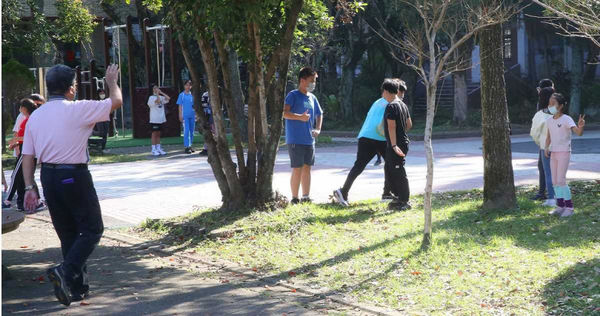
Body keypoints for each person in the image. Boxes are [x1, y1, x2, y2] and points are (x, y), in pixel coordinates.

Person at [22, 64, 123, 306]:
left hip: (48, 177)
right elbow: (116, 101)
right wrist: (111, 82)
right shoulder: (78, 109)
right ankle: (65, 272)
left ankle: (77, 289)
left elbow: (28, 156)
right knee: (92, 229)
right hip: (74, 175)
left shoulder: (36, 115)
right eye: (75, 85)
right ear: (70, 89)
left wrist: (29, 187)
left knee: (68, 233)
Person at [333, 79, 410, 206]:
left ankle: (386, 193)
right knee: (388, 164)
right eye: (401, 92)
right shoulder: (393, 104)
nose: (402, 95)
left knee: (382, 165)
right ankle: (344, 192)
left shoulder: (380, 101)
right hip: (375, 138)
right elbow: (399, 125)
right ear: (396, 91)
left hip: (369, 136)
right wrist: (396, 139)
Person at [283, 67, 323, 204]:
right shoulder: (293, 95)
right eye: (311, 81)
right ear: (302, 80)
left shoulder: (312, 97)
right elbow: (284, 113)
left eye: (315, 81)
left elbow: (320, 114)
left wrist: (318, 129)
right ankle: (295, 198)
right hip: (295, 139)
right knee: (297, 168)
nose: (313, 84)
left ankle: (306, 196)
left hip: (309, 140)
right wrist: (299, 117)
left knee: (307, 167)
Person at [545, 93, 585, 217]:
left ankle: (569, 207)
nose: (550, 106)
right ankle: (560, 206)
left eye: (553, 104)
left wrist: (581, 126)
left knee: (561, 180)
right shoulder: (549, 120)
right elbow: (549, 136)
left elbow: (578, 133)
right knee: (555, 181)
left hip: (564, 152)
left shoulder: (566, 119)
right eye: (549, 103)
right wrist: (546, 147)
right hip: (554, 153)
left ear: (561, 106)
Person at [4, 98, 44, 211]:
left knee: (16, 176)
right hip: (24, 149)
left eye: (21, 106)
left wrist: (16, 139)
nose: (19, 109)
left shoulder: (32, 120)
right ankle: (31, 202)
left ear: (25, 108)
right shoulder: (26, 119)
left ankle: (8, 200)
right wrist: (16, 143)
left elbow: (31, 137)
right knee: (24, 178)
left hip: (27, 151)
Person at [382, 79, 412, 210]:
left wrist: (394, 145)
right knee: (390, 169)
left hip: (396, 145)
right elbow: (409, 124)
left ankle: (404, 200)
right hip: (401, 142)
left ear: (387, 91)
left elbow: (391, 127)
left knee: (398, 171)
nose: (382, 94)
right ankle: (395, 197)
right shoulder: (402, 105)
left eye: (383, 91)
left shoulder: (391, 106)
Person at [530, 86, 556, 207]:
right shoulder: (558, 112)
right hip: (561, 147)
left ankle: (552, 199)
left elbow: (534, 133)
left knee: (548, 173)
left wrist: (540, 143)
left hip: (546, 148)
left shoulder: (539, 115)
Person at [147, 85, 170, 156]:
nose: (156, 89)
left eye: (157, 88)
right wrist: (157, 94)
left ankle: (158, 148)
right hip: (154, 119)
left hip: (161, 119)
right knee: (154, 134)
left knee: (159, 134)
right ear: (152, 90)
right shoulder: (151, 98)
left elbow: (168, 98)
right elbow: (158, 101)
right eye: (154, 88)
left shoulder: (161, 97)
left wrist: (161, 93)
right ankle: (153, 149)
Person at [177, 80, 196, 154]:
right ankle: (186, 147)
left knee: (192, 131)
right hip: (185, 116)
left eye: (189, 85)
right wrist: (180, 115)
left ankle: (190, 146)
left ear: (191, 86)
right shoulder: (181, 95)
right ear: (184, 86)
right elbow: (180, 106)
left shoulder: (193, 95)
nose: (188, 86)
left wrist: (196, 115)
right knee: (186, 130)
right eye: (186, 85)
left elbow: (195, 106)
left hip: (192, 115)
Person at [198, 91, 213, 156]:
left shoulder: (220, 91)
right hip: (209, 115)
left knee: (213, 131)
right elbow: (204, 105)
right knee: (209, 131)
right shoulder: (205, 94)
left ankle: (209, 148)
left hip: (213, 115)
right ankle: (207, 148)